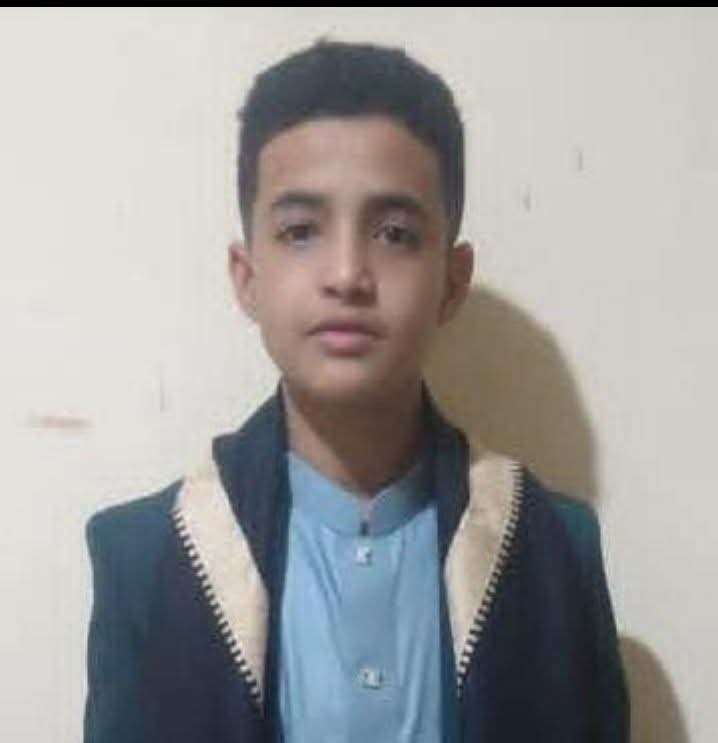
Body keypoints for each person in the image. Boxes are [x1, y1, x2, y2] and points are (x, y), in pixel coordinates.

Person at [83, 39, 629, 743]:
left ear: (452, 281)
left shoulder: (552, 550)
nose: (346, 273)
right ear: (247, 278)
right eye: (300, 231)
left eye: (395, 234)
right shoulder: (147, 555)